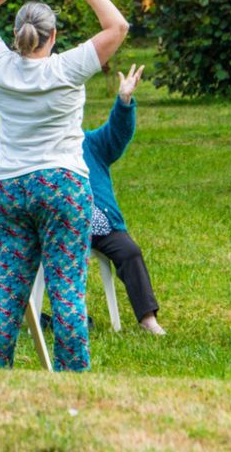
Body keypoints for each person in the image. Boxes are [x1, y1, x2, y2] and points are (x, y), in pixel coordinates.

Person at [0, 0, 129, 372]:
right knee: (67, 291)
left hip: (9, 187)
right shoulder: (68, 67)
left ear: (16, 34)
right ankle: (72, 378)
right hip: (63, 186)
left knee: (4, 294)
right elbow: (118, 26)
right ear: (52, 36)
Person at [83, 63, 164, 335]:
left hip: (100, 223)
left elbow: (116, 134)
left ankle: (147, 318)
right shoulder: (46, 145)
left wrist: (124, 101)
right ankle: (61, 317)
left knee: (130, 252)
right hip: (61, 224)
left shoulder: (89, 143)